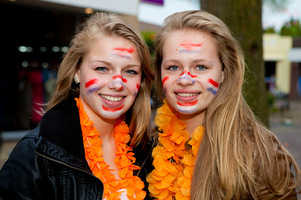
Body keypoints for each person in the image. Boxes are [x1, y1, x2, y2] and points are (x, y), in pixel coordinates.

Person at [146, 10, 301, 200]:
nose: (185, 79)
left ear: (223, 73)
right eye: (173, 67)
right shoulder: (149, 140)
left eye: (200, 67)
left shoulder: (258, 152)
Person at [0, 12, 154, 200]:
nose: (117, 83)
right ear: (77, 72)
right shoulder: (35, 153)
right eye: (102, 68)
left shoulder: (147, 150)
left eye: (130, 71)